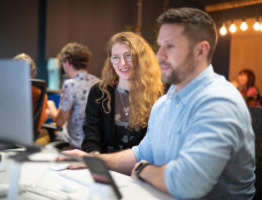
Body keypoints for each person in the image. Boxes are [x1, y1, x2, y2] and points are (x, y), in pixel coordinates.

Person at [59, 7, 255, 199]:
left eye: (169, 46)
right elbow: (141, 153)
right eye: (159, 46)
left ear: (200, 51)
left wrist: (144, 169)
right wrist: (93, 160)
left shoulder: (218, 101)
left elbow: (185, 184)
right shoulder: (164, 104)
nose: (159, 55)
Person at [81, 32, 163, 154]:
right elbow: (91, 137)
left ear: (141, 59)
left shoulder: (159, 95)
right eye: (116, 57)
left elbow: (158, 144)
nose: (122, 63)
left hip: (140, 168)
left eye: (128, 56)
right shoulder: (99, 93)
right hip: (105, 165)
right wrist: (95, 158)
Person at [53, 42, 99, 149]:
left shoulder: (70, 85)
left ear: (67, 63)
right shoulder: (98, 82)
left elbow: (60, 121)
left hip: (76, 143)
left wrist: (50, 106)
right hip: (95, 143)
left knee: (43, 137)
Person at [14, 53, 54, 145]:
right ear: (33, 72)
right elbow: (40, 120)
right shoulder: (40, 92)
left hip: (6, 136)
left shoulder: (5, 91)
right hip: (29, 138)